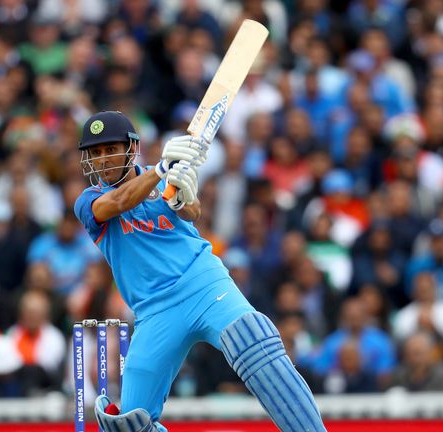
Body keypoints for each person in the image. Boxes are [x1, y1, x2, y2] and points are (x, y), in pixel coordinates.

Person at [73, 111, 325, 431]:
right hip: (153, 312)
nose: (103, 159)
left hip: (203, 284)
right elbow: (119, 202)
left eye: (110, 149)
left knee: (253, 342)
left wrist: (184, 198)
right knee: (129, 424)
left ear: (131, 148)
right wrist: (161, 170)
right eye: (96, 152)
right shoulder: (88, 200)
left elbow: (192, 212)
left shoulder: (164, 175)